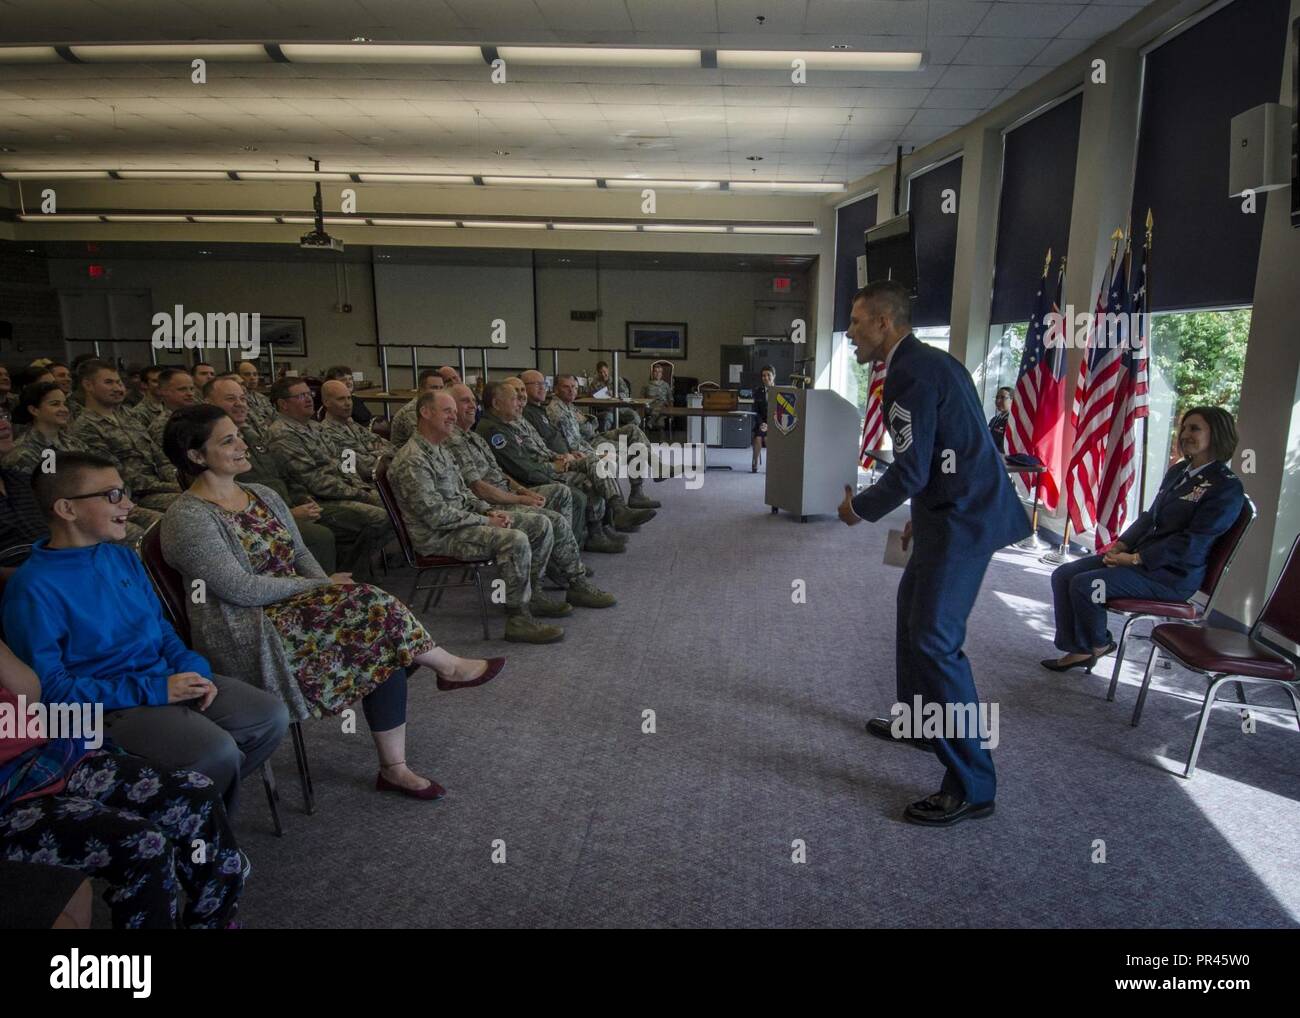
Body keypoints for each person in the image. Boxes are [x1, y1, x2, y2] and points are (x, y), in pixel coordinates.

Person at [160, 404, 503, 800]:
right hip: (248, 629)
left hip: (293, 612)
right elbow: (238, 589)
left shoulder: (263, 495)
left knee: (376, 623)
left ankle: (397, 765)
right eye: (228, 440)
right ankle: (445, 671)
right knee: (376, 621)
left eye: (239, 434)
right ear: (196, 456)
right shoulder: (188, 518)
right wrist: (315, 589)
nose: (243, 444)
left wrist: (322, 586)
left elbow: (301, 555)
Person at [837, 281, 1029, 828]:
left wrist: (861, 510)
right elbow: (949, 449)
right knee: (911, 610)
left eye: (856, 322)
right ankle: (919, 723)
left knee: (935, 642)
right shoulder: (930, 363)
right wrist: (918, 521)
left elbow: (911, 468)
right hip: (948, 510)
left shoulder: (908, 375)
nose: (850, 333)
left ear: (884, 323)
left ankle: (973, 783)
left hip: (965, 518)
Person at [1, 452, 290, 816]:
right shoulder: (32, 589)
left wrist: (192, 668)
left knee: (267, 716)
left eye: (125, 492)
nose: (128, 504)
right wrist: (155, 691)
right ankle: (199, 831)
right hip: (110, 706)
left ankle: (187, 811)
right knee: (216, 751)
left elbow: (161, 629)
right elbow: (52, 694)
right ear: (66, 509)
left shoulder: (120, 558)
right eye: (112, 496)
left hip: (161, 679)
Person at [0, 636, 245, 929]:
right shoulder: (33, 592)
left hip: (44, 759)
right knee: (144, 845)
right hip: (9, 795)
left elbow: (28, 693)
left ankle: (213, 923)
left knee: (197, 794)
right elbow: (57, 689)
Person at [1042, 406, 1245, 673]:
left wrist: (1136, 559)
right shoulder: (1179, 471)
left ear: (1216, 435)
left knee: (1088, 586)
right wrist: (1123, 545)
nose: (1185, 434)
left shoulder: (1226, 486)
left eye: (1195, 428)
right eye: (1184, 427)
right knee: (1064, 574)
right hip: (1141, 559)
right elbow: (1151, 516)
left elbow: (1193, 542)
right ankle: (1079, 647)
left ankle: (1098, 644)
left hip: (1171, 575)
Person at [389, 391, 570, 644]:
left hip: (462, 521)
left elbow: (464, 493)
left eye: (454, 410)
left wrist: (487, 510)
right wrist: (486, 521)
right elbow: (435, 517)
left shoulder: (439, 449)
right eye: (447, 411)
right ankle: (518, 619)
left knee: (540, 523)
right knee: (515, 539)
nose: (453, 416)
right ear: (425, 412)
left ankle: (531, 594)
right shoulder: (412, 460)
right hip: (438, 536)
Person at [443, 382, 621, 589]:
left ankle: (569, 558)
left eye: (473, 400)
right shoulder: (487, 430)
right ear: (496, 403)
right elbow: (481, 487)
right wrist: (521, 497)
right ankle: (560, 573)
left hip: (515, 486)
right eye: (465, 401)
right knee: (561, 506)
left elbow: (501, 473)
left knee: (572, 486)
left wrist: (523, 491)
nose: (473, 405)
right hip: (494, 500)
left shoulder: (474, 436)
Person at [477, 379, 653, 543]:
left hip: (554, 461)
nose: (519, 399)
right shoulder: (497, 430)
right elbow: (523, 468)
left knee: (598, 463)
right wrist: (555, 464)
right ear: (496, 404)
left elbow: (545, 446)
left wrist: (557, 456)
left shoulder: (518, 419)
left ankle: (610, 518)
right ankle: (609, 519)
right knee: (592, 470)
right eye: (515, 395)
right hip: (542, 472)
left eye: (522, 391)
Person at [205, 375, 337, 572]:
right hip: (262, 520)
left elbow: (282, 475)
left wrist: (302, 499)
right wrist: (288, 515)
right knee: (320, 536)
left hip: (287, 505)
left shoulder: (250, 435)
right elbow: (232, 503)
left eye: (242, 398)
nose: (240, 404)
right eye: (231, 399)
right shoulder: (209, 448)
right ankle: (322, 590)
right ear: (208, 403)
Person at [267, 376, 394, 570]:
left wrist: (361, 487)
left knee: (395, 507)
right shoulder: (282, 434)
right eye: (300, 396)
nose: (309, 399)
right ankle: (348, 571)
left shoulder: (314, 426)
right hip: (317, 500)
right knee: (383, 518)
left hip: (343, 489)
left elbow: (344, 463)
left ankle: (354, 566)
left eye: (309, 394)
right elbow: (314, 480)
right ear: (283, 404)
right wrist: (361, 493)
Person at [532, 371, 661, 510]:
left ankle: (656, 469)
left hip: (594, 436)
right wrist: (595, 454)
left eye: (574, 387)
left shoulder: (568, 405)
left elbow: (590, 427)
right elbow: (574, 444)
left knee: (632, 429)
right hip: (588, 445)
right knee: (633, 450)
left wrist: (587, 420)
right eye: (566, 387)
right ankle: (630, 500)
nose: (571, 390)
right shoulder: (557, 411)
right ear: (556, 389)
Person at [67, 359, 180, 514]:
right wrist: (178, 487)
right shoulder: (85, 427)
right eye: (109, 383)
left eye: (118, 382)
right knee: (194, 506)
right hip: (129, 498)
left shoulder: (128, 415)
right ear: (88, 385)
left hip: (159, 489)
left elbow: (160, 458)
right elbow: (123, 477)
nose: (118, 388)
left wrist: (178, 480)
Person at [1, 381, 87, 475]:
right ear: (34, 410)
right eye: (55, 404)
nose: (64, 409)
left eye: (64, 404)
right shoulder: (22, 453)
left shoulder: (74, 442)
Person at [319, 378, 393, 481]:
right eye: (341, 399)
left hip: (386, 477)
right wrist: (378, 453)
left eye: (349, 398)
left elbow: (391, 447)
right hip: (366, 486)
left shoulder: (352, 424)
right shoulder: (327, 432)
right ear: (327, 402)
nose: (348, 403)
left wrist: (377, 455)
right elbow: (365, 468)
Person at [389, 369, 445, 448]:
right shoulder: (411, 412)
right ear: (421, 390)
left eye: (441, 388)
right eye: (434, 388)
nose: (439, 392)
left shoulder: (434, 407)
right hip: (410, 457)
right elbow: (425, 441)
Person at [146, 366, 199, 445]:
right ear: (163, 391)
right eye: (182, 389)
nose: (190, 394)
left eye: (191, 389)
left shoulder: (199, 416)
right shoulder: (162, 426)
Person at [237, 361, 275, 427]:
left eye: (255, 374)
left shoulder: (262, 397)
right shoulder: (238, 399)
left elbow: (275, 417)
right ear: (238, 377)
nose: (252, 378)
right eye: (247, 374)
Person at [751, 365, 774, 473]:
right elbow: (756, 411)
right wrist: (762, 424)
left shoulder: (779, 392)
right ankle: (755, 462)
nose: (766, 378)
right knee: (758, 438)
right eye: (763, 375)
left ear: (773, 376)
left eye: (768, 375)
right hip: (761, 423)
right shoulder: (758, 391)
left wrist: (770, 425)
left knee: (768, 439)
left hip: (775, 424)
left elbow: (780, 411)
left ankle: (772, 464)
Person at [642, 362, 673, 431]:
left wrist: (671, 410)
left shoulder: (666, 385)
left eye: (659, 372)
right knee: (660, 414)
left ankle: (651, 422)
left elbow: (670, 398)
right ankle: (659, 435)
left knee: (661, 409)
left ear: (662, 374)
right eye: (655, 371)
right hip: (650, 405)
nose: (658, 373)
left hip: (663, 405)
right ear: (652, 373)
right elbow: (641, 398)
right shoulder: (646, 385)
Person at [988, 386, 1012, 453]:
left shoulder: (1012, 422)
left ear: (1012, 400)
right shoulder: (994, 419)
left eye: (1002, 397)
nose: (998, 400)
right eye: (997, 397)